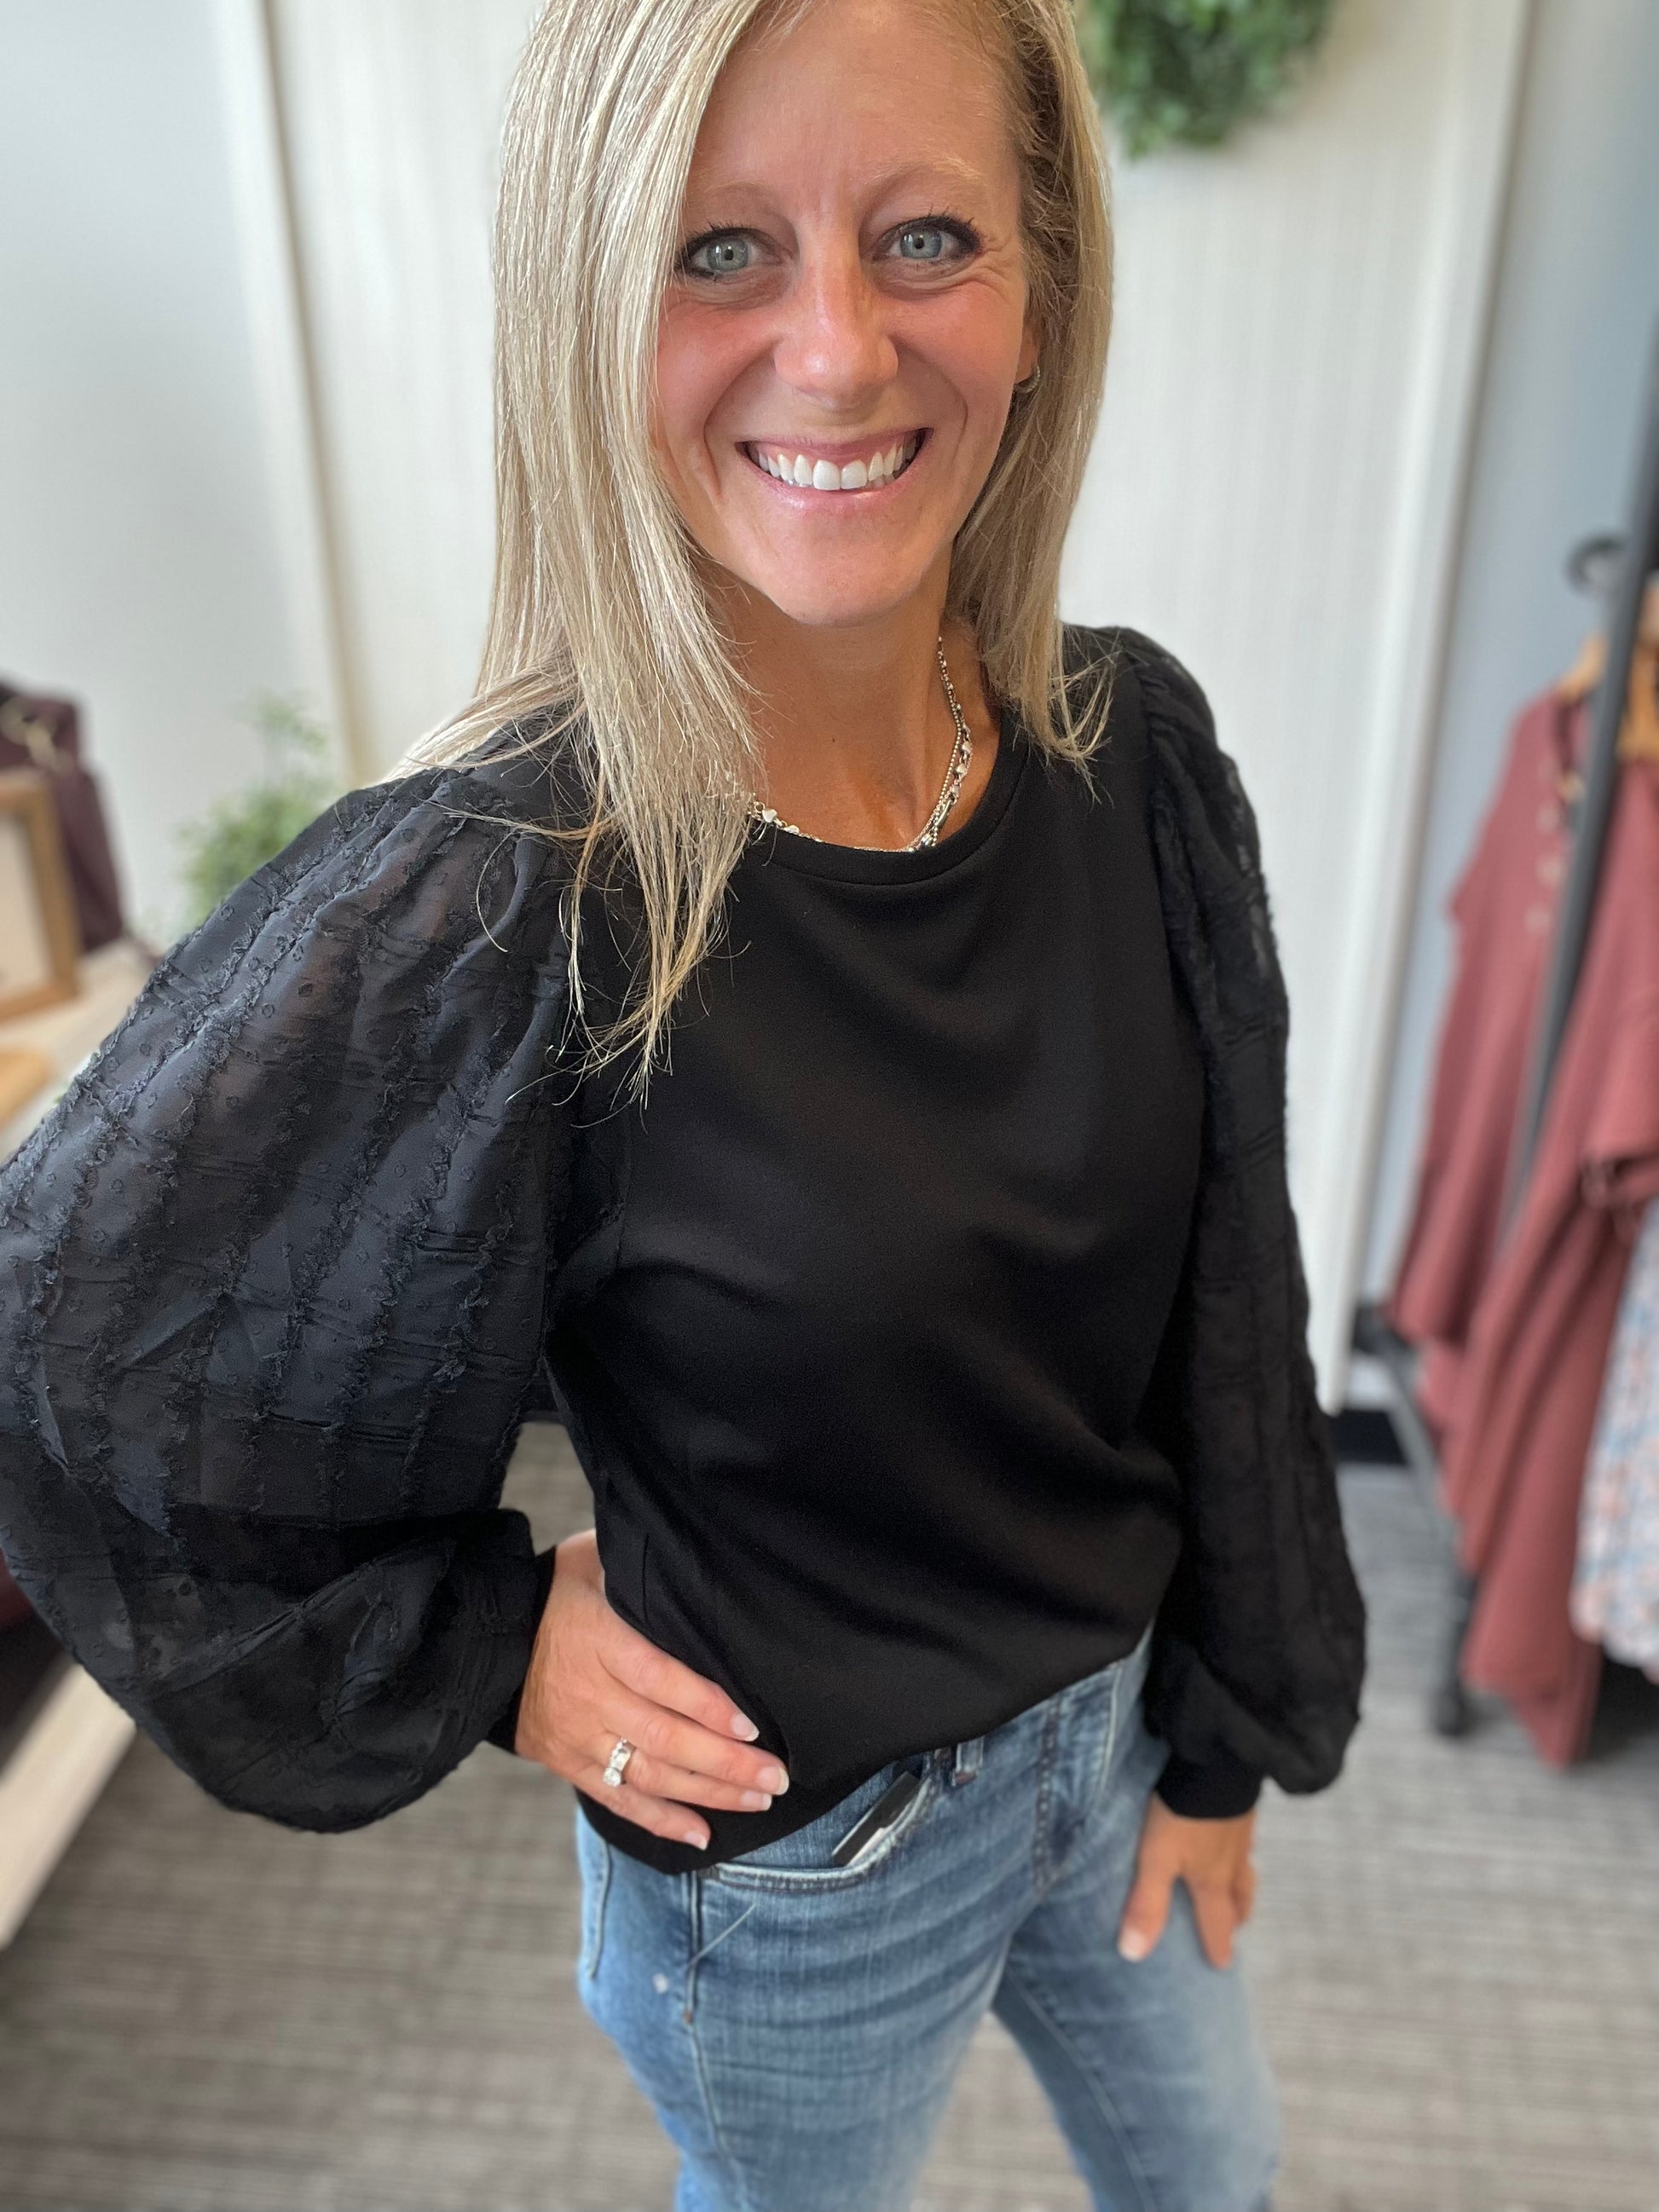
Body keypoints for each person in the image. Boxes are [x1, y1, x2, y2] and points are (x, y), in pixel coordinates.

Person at [0, 0, 1366, 2206]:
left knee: (1216, 2176)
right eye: (717, 252)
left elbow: (1231, 1295)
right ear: (587, 308)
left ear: (1039, 283)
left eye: (923, 237)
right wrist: (479, 1644)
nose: (835, 351)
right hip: (804, 1868)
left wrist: (1228, 1737)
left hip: (1114, 1742)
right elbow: (64, 1350)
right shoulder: (502, 897)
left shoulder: (1139, 761)